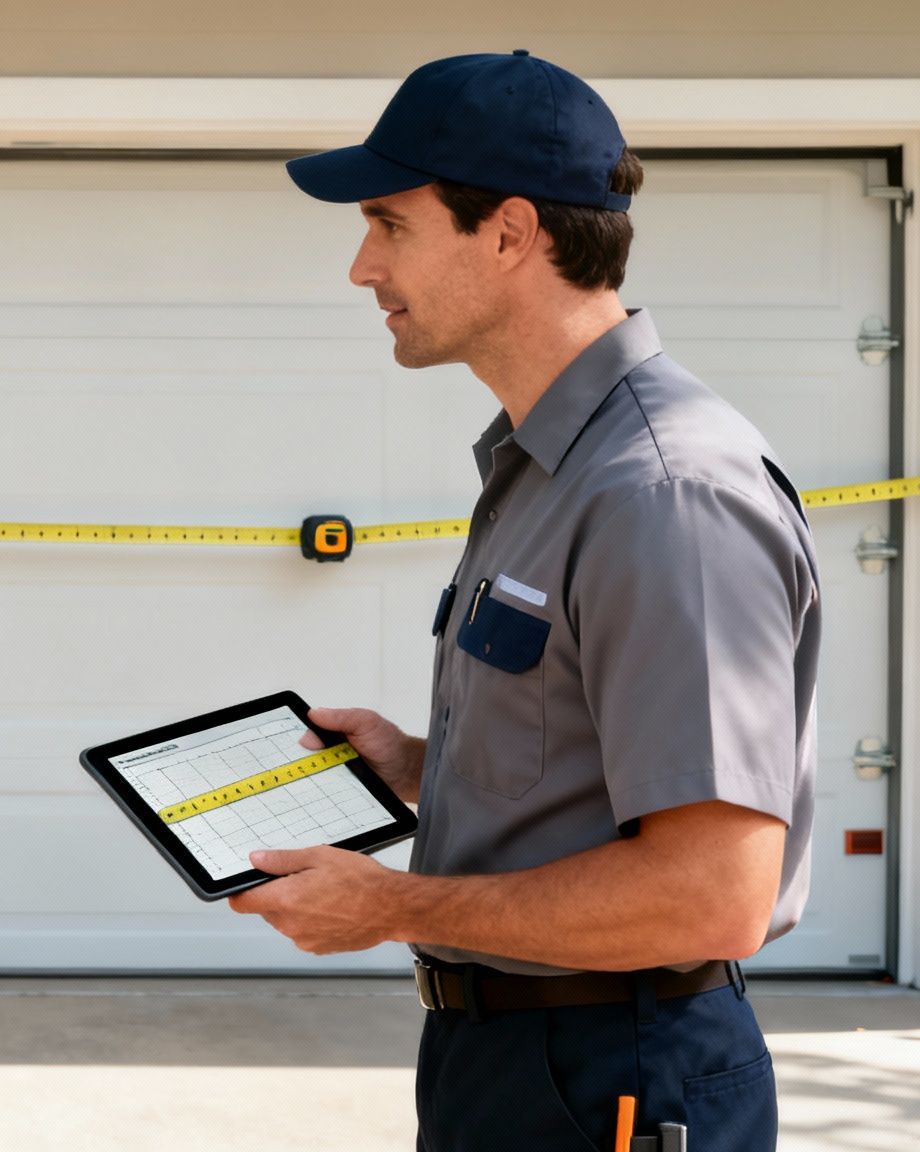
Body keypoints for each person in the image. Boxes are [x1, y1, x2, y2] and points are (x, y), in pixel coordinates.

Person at [228, 52, 818, 1151]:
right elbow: (599, 759)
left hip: (614, 1075)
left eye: (388, 224)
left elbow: (709, 895)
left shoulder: (661, 490)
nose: (361, 267)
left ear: (506, 232)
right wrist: (421, 766)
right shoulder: (548, 466)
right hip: (513, 1062)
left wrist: (393, 905)